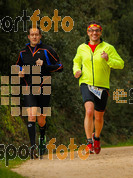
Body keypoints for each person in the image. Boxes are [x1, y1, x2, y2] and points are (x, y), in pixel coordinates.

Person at [73, 21, 124, 154]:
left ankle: (97, 138)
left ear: (100, 33)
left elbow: (120, 64)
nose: (94, 33)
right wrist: (76, 70)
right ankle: (89, 142)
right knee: (89, 111)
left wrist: (108, 60)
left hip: (102, 86)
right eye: (91, 31)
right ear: (87, 33)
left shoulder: (108, 48)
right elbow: (76, 62)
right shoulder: (82, 48)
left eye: (97, 30)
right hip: (86, 83)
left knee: (99, 117)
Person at [16, 26, 63, 159]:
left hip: (44, 87)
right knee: (31, 115)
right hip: (28, 87)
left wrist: (45, 65)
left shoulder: (47, 50)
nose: (34, 37)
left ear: (40, 36)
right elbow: (17, 66)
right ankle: (32, 149)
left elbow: (60, 66)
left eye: (37, 34)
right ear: (28, 37)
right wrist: (19, 72)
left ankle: (42, 137)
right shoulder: (22, 52)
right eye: (32, 34)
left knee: (41, 119)